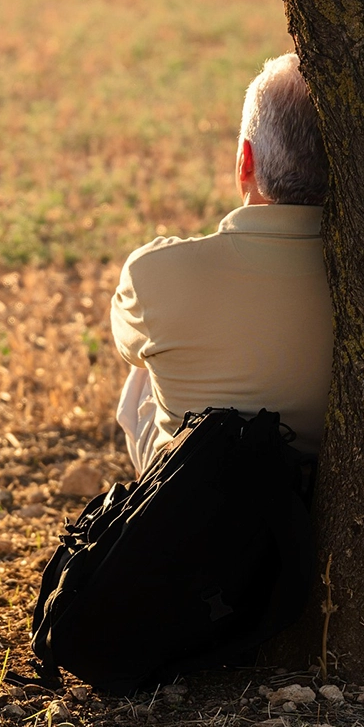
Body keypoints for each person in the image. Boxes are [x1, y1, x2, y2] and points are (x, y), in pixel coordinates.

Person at [111, 53, 333, 475]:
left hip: (193, 497)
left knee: (146, 364)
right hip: (317, 493)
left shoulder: (154, 273)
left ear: (245, 160)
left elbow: (126, 346)